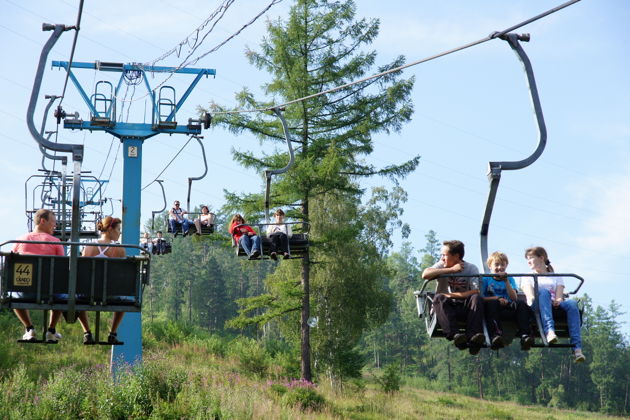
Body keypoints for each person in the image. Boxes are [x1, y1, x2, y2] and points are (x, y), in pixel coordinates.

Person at [522, 246, 585, 363]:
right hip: (538, 306)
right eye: (527, 259)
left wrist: (558, 301)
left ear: (541, 258)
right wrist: (542, 299)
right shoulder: (528, 277)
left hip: (553, 305)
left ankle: (577, 348)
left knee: (572, 303)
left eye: (531, 258)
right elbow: (530, 297)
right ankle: (549, 331)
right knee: (544, 293)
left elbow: (559, 296)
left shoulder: (556, 276)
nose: (528, 262)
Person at [422, 240, 485, 355]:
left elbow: (475, 291)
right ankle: (456, 335)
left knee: (476, 298)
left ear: (456, 256)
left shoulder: (471, 268)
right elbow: (425, 274)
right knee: (439, 298)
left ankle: (473, 337)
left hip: (466, 307)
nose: (442, 258)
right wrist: (450, 270)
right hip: (448, 308)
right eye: (441, 255)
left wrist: (451, 295)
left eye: (444, 255)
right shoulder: (442, 264)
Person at [11, 209, 65, 343]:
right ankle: (51, 330)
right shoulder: (56, 242)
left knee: (12, 293)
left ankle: (29, 328)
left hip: (24, 291)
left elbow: (11, 264)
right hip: (49, 292)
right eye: (53, 222)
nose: (55, 225)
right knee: (63, 293)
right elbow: (62, 269)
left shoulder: (19, 240)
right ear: (43, 221)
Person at [79, 216, 126, 345]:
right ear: (110, 229)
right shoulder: (120, 249)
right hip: (111, 294)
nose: (119, 232)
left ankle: (87, 332)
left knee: (76, 298)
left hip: (87, 293)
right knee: (124, 300)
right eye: (118, 229)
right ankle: (113, 333)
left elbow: (82, 271)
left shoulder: (88, 247)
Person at [480, 252, 534, 351]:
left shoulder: (510, 279)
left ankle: (525, 335)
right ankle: (495, 334)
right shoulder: (486, 279)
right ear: (490, 266)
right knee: (492, 304)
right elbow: (481, 297)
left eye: (502, 265)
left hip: (508, 307)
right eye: (496, 264)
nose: (500, 267)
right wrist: (496, 299)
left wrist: (506, 281)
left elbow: (514, 298)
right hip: (493, 308)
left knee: (521, 304)